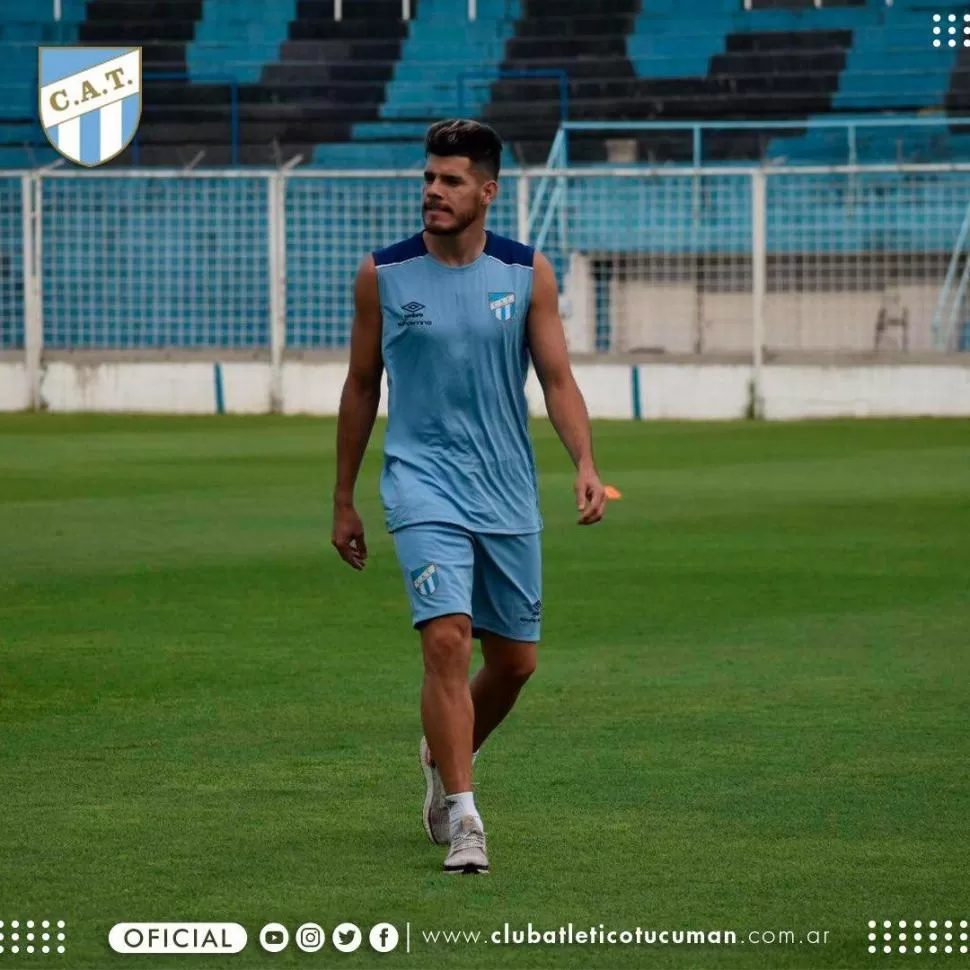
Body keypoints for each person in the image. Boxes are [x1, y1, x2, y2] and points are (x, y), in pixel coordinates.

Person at [331, 119, 606, 875]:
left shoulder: (526, 273)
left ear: (487, 192)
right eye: (428, 178)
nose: (433, 192)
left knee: (515, 663)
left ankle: (440, 749)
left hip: (507, 488)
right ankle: (465, 815)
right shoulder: (383, 275)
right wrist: (344, 498)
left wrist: (583, 461)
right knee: (447, 639)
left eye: (451, 181)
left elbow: (556, 380)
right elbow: (360, 387)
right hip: (421, 483)